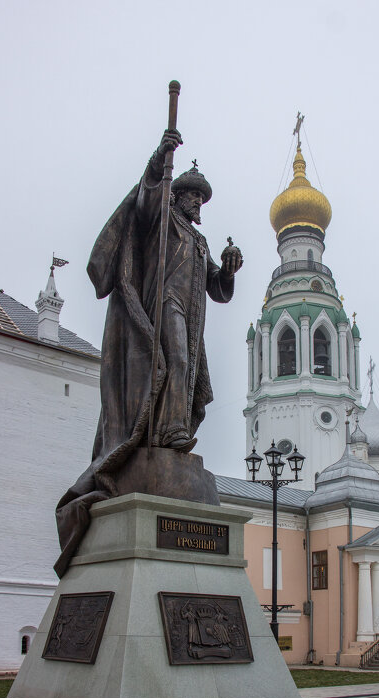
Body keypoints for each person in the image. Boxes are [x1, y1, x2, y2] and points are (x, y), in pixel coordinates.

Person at [54, 130, 243, 577]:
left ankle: (171, 431)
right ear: (179, 196)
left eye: (201, 200)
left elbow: (218, 290)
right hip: (162, 305)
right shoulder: (162, 217)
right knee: (174, 364)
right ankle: (169, 432)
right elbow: (144, 200)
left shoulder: (198, 241)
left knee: (189, 374)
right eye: (193, 197)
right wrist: (161, 159)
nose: (198, 205)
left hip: (192, 319)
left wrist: (229, 270)